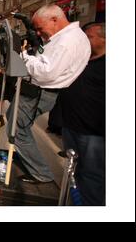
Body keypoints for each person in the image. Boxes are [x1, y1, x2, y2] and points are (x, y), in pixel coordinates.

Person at [5, 4, 91, 184]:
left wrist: (22, 57)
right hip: (41, 91)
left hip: (39, 93)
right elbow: (47, 60)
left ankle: (40, 173)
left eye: (39, 28)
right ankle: (28, 158)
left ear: (54, 19)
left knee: (17, 129)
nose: (38, 33)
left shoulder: (68, 41)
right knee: (14, 122)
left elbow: (46, 72)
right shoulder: (66, 38)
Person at [59, 22, 106, 205]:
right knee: (73, 173)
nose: (85, 41)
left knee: (92, 176)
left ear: (104, 39)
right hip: (70, 125)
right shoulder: (81, 59)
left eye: (89, 37)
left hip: (94, 133)